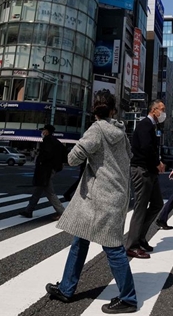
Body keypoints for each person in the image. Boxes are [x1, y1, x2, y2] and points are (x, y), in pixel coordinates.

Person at [45, 92, 137, 314]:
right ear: (113, 110)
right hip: (116, 194)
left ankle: (128, 298)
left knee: (113, 247)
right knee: (80, 239)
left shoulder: (96, 129)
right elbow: (129, 156)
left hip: (99, 198)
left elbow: (73, 158)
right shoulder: (121, 131)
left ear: (94, 109)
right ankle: (67, 288)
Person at [125, 99, 167, 259]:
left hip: (150, 170)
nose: (163, 113)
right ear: (154, 109)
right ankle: (132, 245)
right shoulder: (145, 125)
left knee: (157, 204)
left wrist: (157, 163)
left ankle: (140, 237)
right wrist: (157, 163)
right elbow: (146, 147)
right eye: (162, 109)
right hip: (142, 170)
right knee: (140, 207)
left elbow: (150, 148)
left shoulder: (151, 126)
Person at [20, 124, 66, 220]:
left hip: (45, 170)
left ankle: (62, 212)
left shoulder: (47, 141)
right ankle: (28, 210)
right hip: (51, 169)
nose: (42, 132)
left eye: (43, 130)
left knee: (49, 192)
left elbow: (46, 155)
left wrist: (41, 161)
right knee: (38, 190)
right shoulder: (57, 142)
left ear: (47, 131)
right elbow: (63, 153)